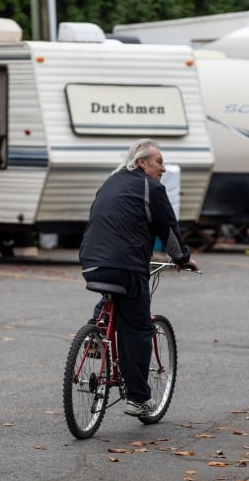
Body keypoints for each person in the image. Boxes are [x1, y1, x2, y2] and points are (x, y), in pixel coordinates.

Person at [79, 138, 200, 418]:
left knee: (115, 294)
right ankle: (138, 398)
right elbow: (167, 229)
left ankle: (94, 332)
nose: (164, 168)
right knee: (138, 328)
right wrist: (182, 258)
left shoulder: (110, 181)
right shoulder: (152, 189)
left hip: (92, 261)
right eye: (159, 162)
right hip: (126, 265)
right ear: (142, 162)